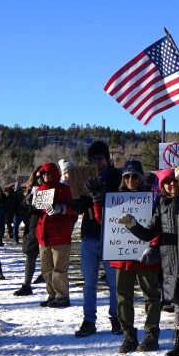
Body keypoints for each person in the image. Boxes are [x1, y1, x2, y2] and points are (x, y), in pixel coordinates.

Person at [119, 168, 179, 356]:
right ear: (162, 186)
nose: (172, 184)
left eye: (175, 181)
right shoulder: (162, 205)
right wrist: (132, 225)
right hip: (171, 259)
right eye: (167, 182)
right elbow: (148, 234)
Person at [106, 160, 163, 353]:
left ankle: (152, 335)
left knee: (151, 296)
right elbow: (104, 222)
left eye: (135, 176)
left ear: (141, 177)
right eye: (127, 176)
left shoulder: (152, 197)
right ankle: (128, 335)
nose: (131, 180)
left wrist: (154, 246)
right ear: (123, 178)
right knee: (123, 297)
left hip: (144, 255)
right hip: (122, 256)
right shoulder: (115, 198)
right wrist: (97, 201)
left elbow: (159, 224)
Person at [73, 140, 123, 337]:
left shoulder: (117, 176)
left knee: (114, 282)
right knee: (89, 282)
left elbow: (120, 199)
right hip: (90, 233)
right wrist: (76, 193)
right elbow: (78, 208)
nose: (97, 162)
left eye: (100, 158)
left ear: (107, 158)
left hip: (111, 233)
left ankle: (116, 317)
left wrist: (100, 193)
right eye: (93, 159)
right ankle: (89, 320)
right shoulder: (84, 177)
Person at [32, 161, 76, 308]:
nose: (45, 176)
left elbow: (74, 210)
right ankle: (52, 295)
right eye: (43, 173)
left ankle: (62, 296)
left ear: (55, 174)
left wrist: (61, 208)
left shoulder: (65, 189)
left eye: (48, 173)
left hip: (60, 236)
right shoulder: (39, 191)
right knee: (46, 270)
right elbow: (37, 214)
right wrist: (29, 205)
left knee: (59, 269)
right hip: (43, 236)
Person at [12, 175, 41, 297]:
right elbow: (25, 209)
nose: (42, 178)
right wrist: (28, 201)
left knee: (48, 257)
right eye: (40, 176)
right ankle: (27, 285)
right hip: (33, 226)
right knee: (30, 254)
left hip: (49, 227)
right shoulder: (32, 191)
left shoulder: (57, 189)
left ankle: (51, 282)